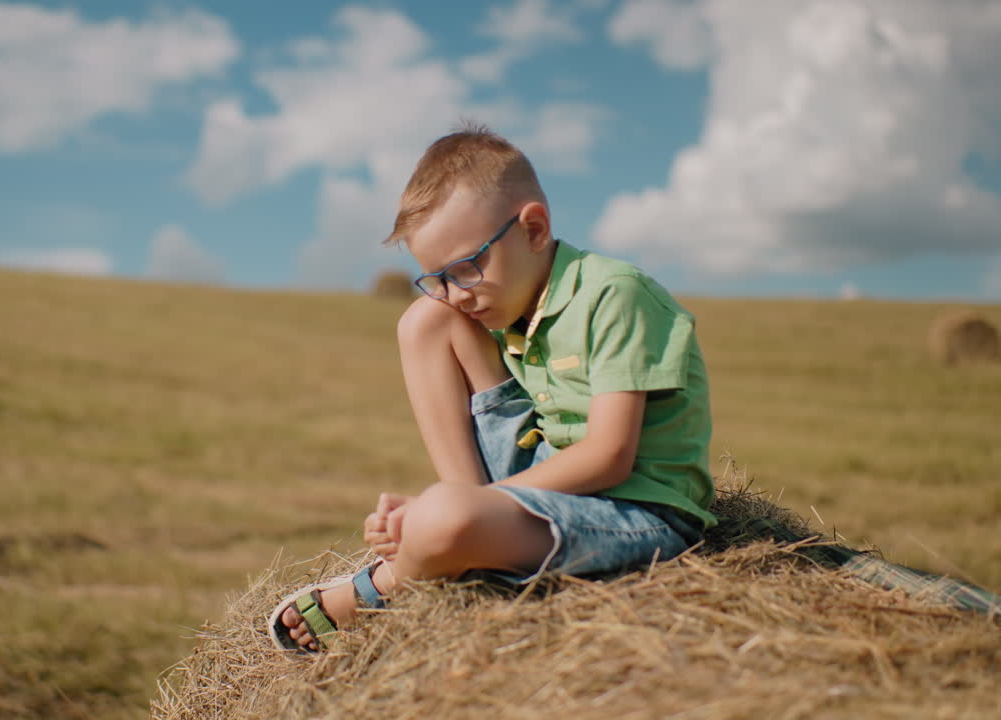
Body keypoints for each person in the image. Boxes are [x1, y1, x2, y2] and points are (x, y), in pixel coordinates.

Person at [269, 123, 717, 652]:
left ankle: (384, 587)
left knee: (443, 514)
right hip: (546, 476)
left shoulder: (616, 296)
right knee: (423, 323)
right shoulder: (512, 300)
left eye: (465, 269)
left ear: (532, 230)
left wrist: (464, 506)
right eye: (436, 277)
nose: (454, 294)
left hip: (636, 513)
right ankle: (458, 529)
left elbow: (609, 458)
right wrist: (466, 504)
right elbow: (453, 329)